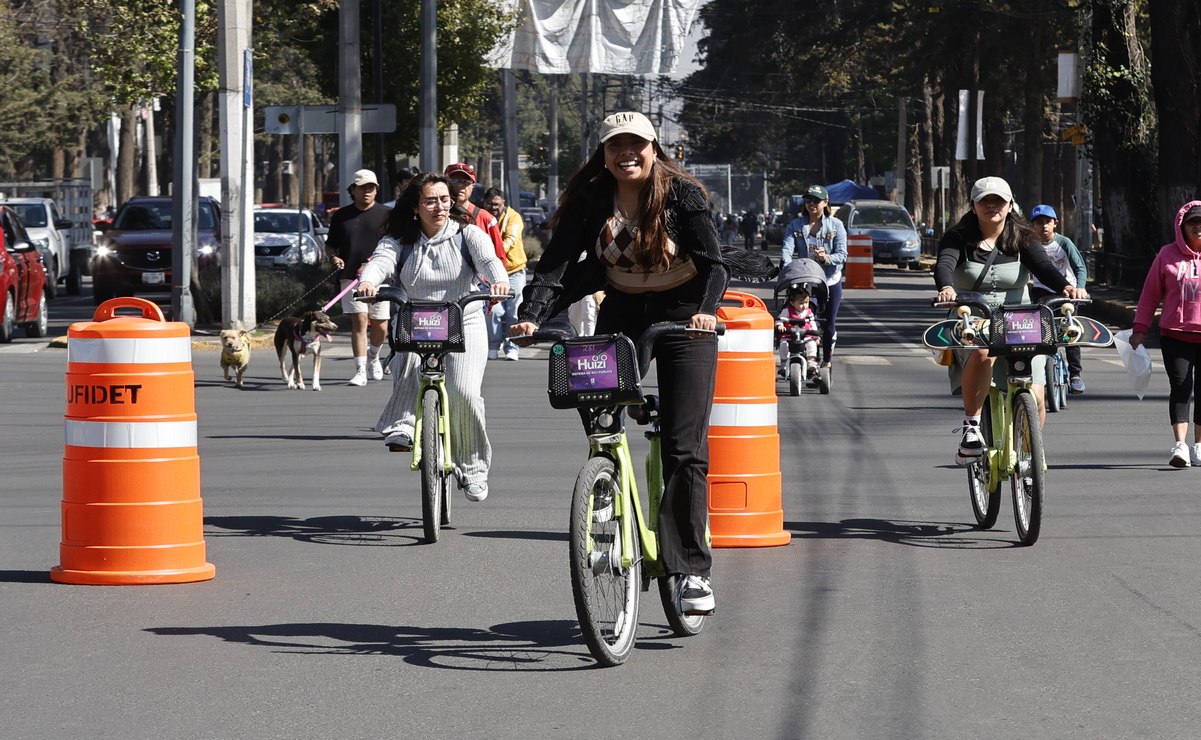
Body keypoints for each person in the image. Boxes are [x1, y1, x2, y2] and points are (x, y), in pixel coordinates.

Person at [510, 110, 729, 616]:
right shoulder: (591, 198)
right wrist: (530, 316)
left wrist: (704, 314)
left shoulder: (681, 194)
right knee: (593, 400)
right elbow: (559, 264)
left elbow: (714, 264)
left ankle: (691, 569)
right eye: (615, 146)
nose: (626, 153)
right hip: (624, 308)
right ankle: (605, 487)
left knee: (683, 446)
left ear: (654, 149)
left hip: (683, 315)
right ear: (603, 153)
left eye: (637, 145)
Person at [354, 172, 510, 501]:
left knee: (464, 392)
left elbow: (490, 262)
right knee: (407, 361)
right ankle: (404, 424)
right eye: (430, 200)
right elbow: (380, 261)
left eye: (444, 199)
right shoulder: (400, 239)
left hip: (464, 318)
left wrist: (499, 282)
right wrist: (369, 281)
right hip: (418, 318)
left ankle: (473, 469)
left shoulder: (469, 234)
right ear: (415, 206)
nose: (439, 206)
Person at [934, 177, 1088, 465]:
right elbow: (944, 264)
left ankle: (1028, 454)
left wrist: (1065, 288)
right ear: (973, 206)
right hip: (973, 316)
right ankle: (971, 428)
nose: (992, 206)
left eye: (998, 201)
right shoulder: (957, 237)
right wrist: (946, 288)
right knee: (981, 352)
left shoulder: (1023, 237)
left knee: (1038, 395)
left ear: (1010, 205)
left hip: (1019, 320)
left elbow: (1043, 266)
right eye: (984, 201)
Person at [1130, 201, 1201, 468]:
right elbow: (1150, 294)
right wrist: (1140, 329)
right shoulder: (1167, 255)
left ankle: (1199, 446)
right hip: (1176, 336)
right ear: (1182, 227)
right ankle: (1180, 446)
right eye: (1193, 223)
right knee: (1181, 389)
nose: (1198, 228)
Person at [324, 169, 392, 386]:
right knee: (360, 321)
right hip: (350, 277)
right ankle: (360, 370)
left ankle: (374, 356)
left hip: (380, 278)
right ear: (352, 190)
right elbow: (330, 245)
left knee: (381, 325)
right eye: (362, 187)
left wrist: (376, 259)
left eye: (371, 187)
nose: (367, 191)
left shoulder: (386, 214)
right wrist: (334, 258)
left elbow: (393, 244)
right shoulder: (341, 215)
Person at [781, 184, 847, 368]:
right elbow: (787, 249)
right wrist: (787, 268)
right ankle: (804, 358)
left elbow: (842, 255)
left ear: (825, 203)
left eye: (816, 200)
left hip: (829, 279)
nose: (812, 204)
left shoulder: (836, 225)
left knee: (828, 324)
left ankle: (826, 362)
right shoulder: (795, 225)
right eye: (808, 199)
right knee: (800, 320)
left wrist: (825, 257)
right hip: (804, 280)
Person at [1027, 204, 1089, 394]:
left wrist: (1080, 288)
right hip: (1041, 291)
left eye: (1047, 222)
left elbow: (1080, 268)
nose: (1043, 226)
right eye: (1039, 223)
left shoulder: (1064, 243)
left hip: (1067, 293)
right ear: (1032, 225)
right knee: (1039, 332)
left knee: (1071, 332)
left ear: (1055, 224)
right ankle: (1037, 373)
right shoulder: (1030, 245)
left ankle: (1075, 375)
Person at [482, 187, 528, 361]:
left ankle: (512, 347)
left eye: (496, 204)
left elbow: (510, 239)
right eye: (489, 204)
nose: (493, 207)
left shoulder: (513, 217)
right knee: (493, 311)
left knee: (514, 311)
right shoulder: (482, 217)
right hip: (490, 273)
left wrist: (490, 255)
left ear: (503, 203)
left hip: (513, 271)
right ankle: (492, 346)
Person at [443, 162, 506, 268]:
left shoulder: (486, 218)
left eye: (465, 181)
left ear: (473, 185)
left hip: (480, 283)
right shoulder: (436, 215)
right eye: (454, 180)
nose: (460, 185)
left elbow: (499, 257)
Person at [775, 284, 818, 376]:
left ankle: (811, 362)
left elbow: (813, 323)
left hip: (805, 334)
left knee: (812, 344)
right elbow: (779, 319)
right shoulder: (787, 310)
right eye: (801, 303)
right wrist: (780, 325)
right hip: (789, 335)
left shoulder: (809, 312)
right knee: (783, 345)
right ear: (792, 303)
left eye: (806, 302)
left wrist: (815, 335)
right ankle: (783, 363)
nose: (804, 306)